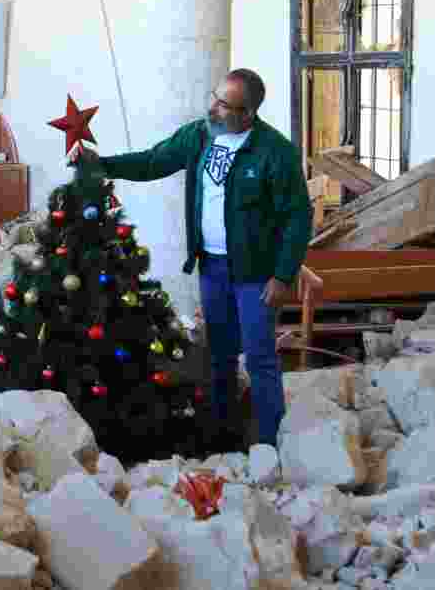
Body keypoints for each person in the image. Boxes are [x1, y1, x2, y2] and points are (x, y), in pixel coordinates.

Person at [79, 69, 313, 450]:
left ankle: (272, 445)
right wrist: (102, 165)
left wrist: (284, 275)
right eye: (214, 97)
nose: (212, 108)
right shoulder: (200, 135)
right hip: (213, 268)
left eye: (224, 104)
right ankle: (223, 438)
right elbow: (154, 161)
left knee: (259, 359)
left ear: (248, 113)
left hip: (256, 274)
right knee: (219, 355)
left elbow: (297, 218)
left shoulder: (275, 152)